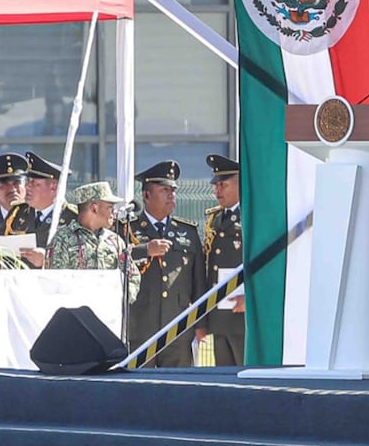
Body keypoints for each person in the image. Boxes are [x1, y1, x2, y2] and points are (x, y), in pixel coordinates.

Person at [127, 160, 204, 368]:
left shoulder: (187, 232)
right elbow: (115, 260)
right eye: (164, 190)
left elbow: (199, 281)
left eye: (173, 190)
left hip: (178, 328)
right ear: (146, 195)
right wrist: (144, 250)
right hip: (141, 327)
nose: (171, 195)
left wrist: (200, 323)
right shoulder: (129, 230)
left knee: (178, 391)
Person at [45, 182, 140, 301]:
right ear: (94, 208)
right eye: (109, 207)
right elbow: (54, 281)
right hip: (75, 314)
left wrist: (121, 298)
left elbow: (133, 276)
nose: (113, 213)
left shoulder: (114, 240)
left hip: (109, 315)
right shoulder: (63, 238)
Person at [196, 154, 245, 366]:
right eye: (216, 185)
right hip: (219, 315)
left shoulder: (252, 217)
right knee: (225, 375)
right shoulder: (215, 219)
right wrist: (204, 320)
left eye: (223, 185)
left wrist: (251, 299)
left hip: (242, 315)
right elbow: (209, 269)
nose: (217, 191)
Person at [21, 151, 78, 267]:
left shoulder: (72, 219)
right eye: (27, 181)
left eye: (34, 183)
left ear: (54, 187)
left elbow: (81, 259)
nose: (27, 186)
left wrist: (48, 260)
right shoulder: (19, 213)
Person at [0, 153, 34, 236]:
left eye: (16, 183)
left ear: (25, 187)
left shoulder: (36, 217)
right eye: (4, 184)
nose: (12, 189)